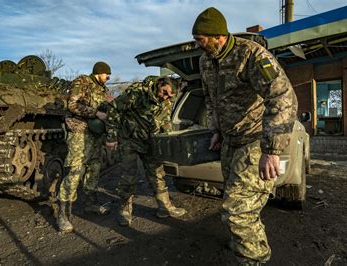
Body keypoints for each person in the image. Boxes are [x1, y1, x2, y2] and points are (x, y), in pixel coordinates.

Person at [192, 7, 298, 265]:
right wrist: (216, 130)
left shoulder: (250, 55)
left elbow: (282, 97)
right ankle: (244, 243)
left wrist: (271, 150)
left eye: (201, 39)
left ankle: (255, 259)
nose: (197, 44)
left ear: (219, 36)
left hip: (255, 139)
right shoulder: (205, 61)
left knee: (237, 211)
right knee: (240, 205)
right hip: (230, 142)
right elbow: (211, 99)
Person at [105, 76, 186, 227]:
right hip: (129, 140)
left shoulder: (166, 102)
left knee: (157, 174)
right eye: (164, 92)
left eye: (170, 96)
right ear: (160, 84)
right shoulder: (137, 94)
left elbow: (166, 121)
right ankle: (125, 211)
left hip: (150, 142)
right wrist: (111, 136)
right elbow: (114, 108)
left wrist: (166, 140)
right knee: (128, 177)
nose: (166, 97)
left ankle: (165, 207)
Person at [57, 61, 114, 233]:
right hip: (79, 132)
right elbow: (72, 105)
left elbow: (106, 108)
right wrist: (96, 113)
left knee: (94, 167)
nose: (109, 78)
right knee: (75, 169)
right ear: (99, 72)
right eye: (107, 75)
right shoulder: (81, 82)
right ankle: (63, 214)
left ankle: (91, 204)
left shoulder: (102, 90)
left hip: (95, 134)